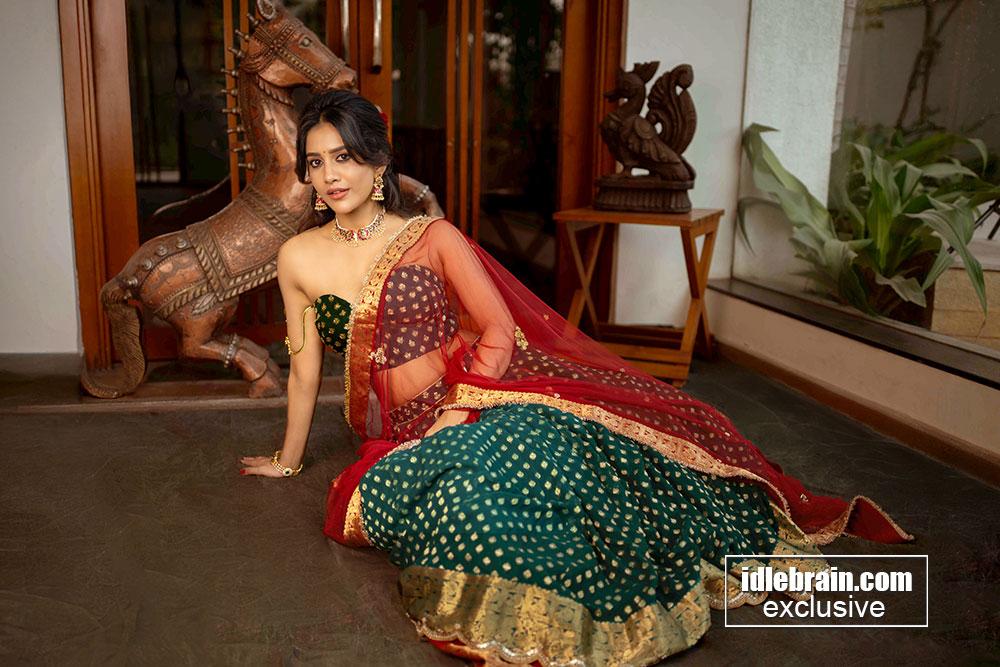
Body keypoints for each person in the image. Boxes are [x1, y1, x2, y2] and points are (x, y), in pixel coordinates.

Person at [241, 90, 912, 665]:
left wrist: (461, 407)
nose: (330, 175)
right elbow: (305, 370)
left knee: (569, 467)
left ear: (378, 161)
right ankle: (530, 608)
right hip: (401, 436)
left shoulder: (431, 236)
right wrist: (288, 459)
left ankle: (602, 599)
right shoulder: (298, 256)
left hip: (479, 401)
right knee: (465, 504)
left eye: (345, 157)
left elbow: (498, 330)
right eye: (316, 162)